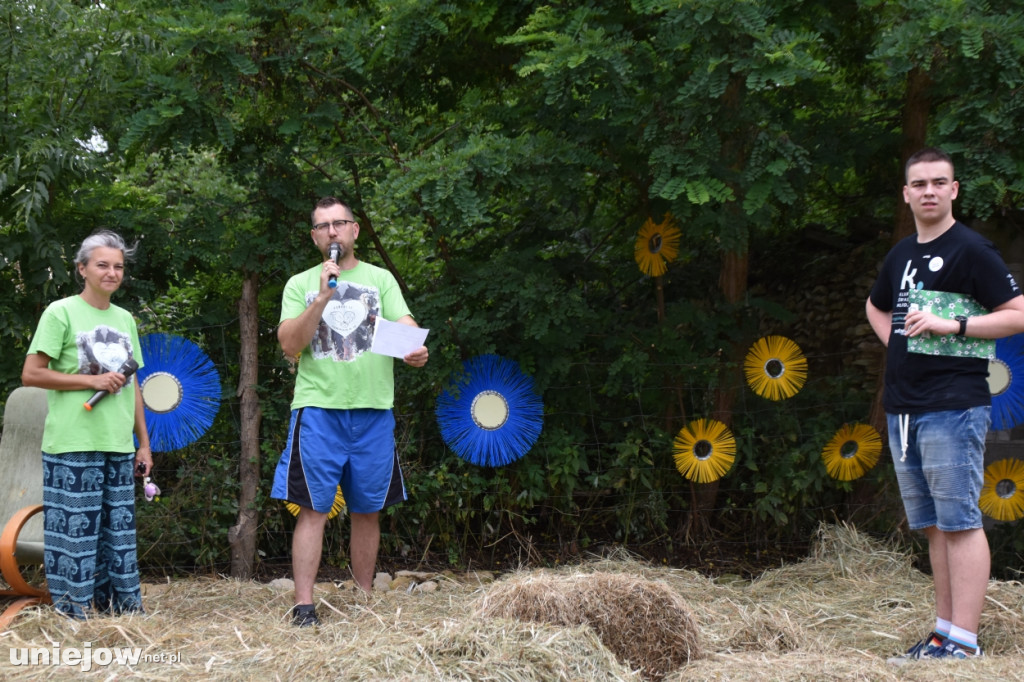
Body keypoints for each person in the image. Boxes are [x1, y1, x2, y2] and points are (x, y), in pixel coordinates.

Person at [866, 147, 1024, 661]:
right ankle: (942, 634)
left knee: (959, 521)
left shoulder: (971, 250)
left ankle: (966, 642)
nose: (929, 191)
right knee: (934, 523)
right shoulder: (902, 254)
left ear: (954, 190)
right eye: (919, 184)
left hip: (954, 405)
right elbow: (876, 304)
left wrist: (952, 326)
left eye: (939, 182)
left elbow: (1017, 314)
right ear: (907, 193)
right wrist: (899, 343)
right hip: (904, 407)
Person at [272, 196, 428, 627]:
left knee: (367, 509)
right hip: (318, 412)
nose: (333, 232)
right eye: (323, 226)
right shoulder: (300, 284)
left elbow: (406, 326)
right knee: (313, 508)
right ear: (314, 237)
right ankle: (304, 607)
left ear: (355, 230)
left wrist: (414, 347)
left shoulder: (381, 280)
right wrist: (322, 297)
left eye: (340, 223)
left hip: (374, 412)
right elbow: (290, 344)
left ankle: (364, 600)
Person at [21, 230, 153, 619]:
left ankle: (121, 613)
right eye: (102, 265)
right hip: (72, 443)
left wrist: (142, 444)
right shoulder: (59, 312)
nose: (112, 272)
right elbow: (31, 373)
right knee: (76, 538)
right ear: (82, 269)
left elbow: (134, 388)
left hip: (118, 443)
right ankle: (73, 614)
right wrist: (91, 380)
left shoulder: (125, 319)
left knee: (118, 539)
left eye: (118, 266)